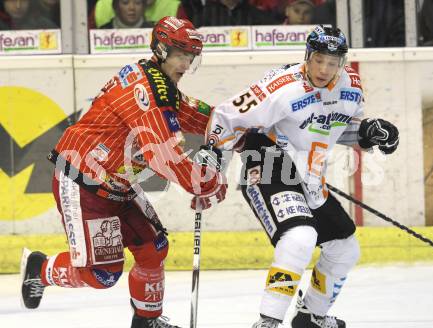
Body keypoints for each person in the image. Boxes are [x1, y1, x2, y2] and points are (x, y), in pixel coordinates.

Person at [20, 16, 227, 328]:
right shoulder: (147, 92)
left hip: (118, 183)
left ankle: (147, 321)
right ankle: (40, 269)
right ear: (161, 49)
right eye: (181, 55)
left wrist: (246, 125)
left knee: (153, 249)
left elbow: (203, 118)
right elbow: (165, 158)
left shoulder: (161, 84)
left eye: (190, 58)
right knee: (101, 275)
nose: (186, 64)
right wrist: (207, 182)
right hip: (83, 182)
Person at [204, 25, 399, 328]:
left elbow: (337, 129)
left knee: (345, 248)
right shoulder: (281, 86)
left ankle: (311, 315)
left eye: (332, 62)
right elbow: (226, 117)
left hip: (310, 177)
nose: (324, 69)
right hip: (267, 163)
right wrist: (213, 162)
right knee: (300, 237)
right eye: (319, 59)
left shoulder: (351, 87)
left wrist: (369, 134)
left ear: (342, 63)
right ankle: (268, 321)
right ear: (307, 55)